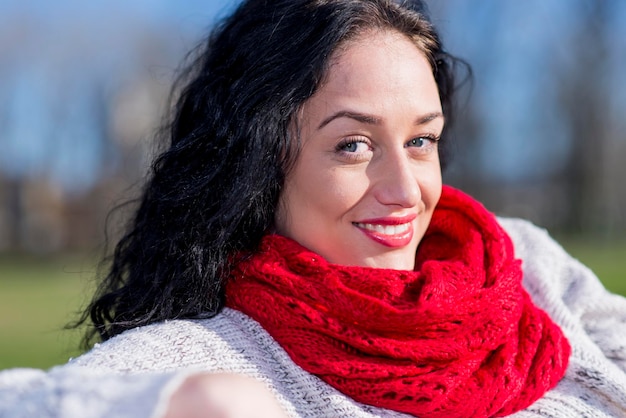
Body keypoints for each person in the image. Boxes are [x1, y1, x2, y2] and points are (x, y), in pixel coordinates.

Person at [1, 0, 626, 417]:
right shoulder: (221, 352)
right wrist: (192, 400)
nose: (405, 190)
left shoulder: (524, 262)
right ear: (260, 164)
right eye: (353, 145)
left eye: (420, 141)